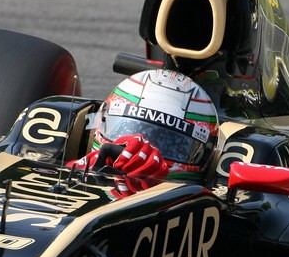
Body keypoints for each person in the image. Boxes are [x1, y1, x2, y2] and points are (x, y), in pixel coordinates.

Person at [73, 69, 219, 191]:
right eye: (124, 130)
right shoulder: (76, 170)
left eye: (171, 144)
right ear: (101, 120)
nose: (140, 148)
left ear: (206, 152)